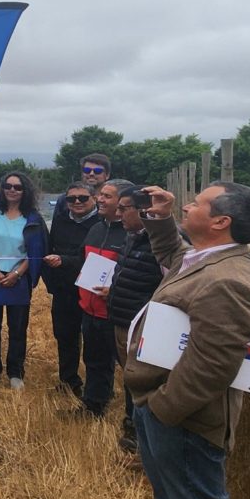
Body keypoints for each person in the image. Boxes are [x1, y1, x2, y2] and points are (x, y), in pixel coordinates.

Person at [123, 183, 250, 499]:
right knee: (171, 492)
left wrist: (164, 407)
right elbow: (174, 257)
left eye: (198, 202)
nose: (187, 203)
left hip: (185, 415)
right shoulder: (208, 258)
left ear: (221, 221)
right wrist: (162, 218)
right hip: (160, 402)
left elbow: (214, 362)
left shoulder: (231, 279)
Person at [103, 186, 163, 452]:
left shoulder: (161, 244)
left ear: (144, 211)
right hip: (121, 321)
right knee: (130, 378)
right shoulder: (132, 237)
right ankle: (132, 424)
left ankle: (143, 437)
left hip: (142, 329)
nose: (118, 214)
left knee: (142, 381)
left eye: (123, 209)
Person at [0, 172, 47, 390]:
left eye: (18, 187)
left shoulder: (33, 218)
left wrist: (17, 273)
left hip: (19, 277)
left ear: (25, 191)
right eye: (8, 186)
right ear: (2, 188)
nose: (12, 190)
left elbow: (36, 251)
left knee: (17, 327)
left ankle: (15, 372)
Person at [75, 179, 133, 417]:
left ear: (123, 202)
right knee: (94, 360)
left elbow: (140, 275)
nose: (99, 199)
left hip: (116, 313)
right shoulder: (96, 228)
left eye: (107, 196)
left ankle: (132, 421)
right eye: (100, 194)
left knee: (130, 369)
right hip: (90, 310)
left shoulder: (132, 234)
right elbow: (82, 261)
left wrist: (115, 291)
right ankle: (93, 406)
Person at [42, 182, 102, 397]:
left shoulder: (102, 224)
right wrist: (51, 282)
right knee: (65, 337)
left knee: (95, 342)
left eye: (83, 198)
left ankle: (97, 389)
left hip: (92, 291)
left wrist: (64, 261)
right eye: (71, 199)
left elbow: (96, 258)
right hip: (63, 290)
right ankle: (68, 381)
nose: (77, 202)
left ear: (94, 198)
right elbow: (50, 248)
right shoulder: (60, 220)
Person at [52, 152, 112, 219]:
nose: (91, 174)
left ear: (107, 175)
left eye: (97, 171)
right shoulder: (65, 199)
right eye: (87, 170)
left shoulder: (113, 201)